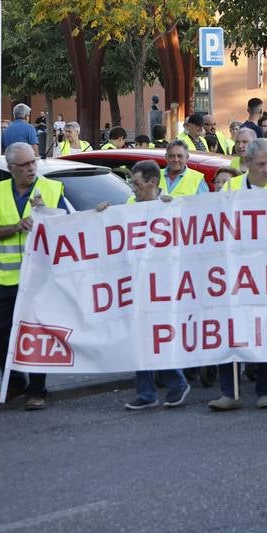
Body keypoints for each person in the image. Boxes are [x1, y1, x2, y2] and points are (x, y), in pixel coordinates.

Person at [0, 142, 71, 410]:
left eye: (34, 162)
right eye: (25, 165)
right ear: (11, 168)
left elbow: (69, 227)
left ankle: (37, 390)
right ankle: (15, 381)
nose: (32, 168)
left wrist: (46, 215)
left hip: (39, 278)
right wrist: (15, 227)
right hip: (7, 279)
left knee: (35, 332)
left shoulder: (52, 189)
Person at [211, 138, 267, 410]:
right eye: (261, 164)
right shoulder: (231, 188)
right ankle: (229, 393)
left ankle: (266, 391)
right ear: (248, 163)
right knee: (231, 330)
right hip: (236, 273)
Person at [112, 159, 191, 409]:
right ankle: (147, 393)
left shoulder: (170, 206)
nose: (133, 188)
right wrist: (102, 213)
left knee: (159, 336)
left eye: (136, 183)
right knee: (140, 338)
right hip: (136, 282)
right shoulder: (129, 206)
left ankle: (176, 383)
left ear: (153, 182)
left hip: (164, 284)